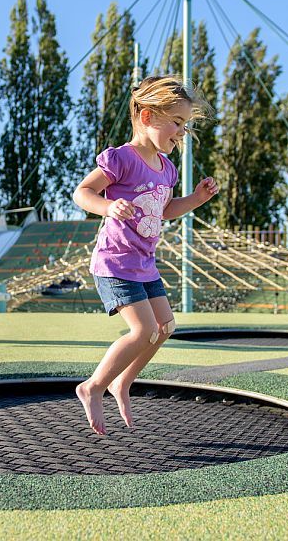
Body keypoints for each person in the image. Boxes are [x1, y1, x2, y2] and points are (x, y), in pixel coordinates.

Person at [72, 75, 219, 435]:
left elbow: (163, 210)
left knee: (165, 326)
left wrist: (196, 200)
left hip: (144, 265)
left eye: (185, 125)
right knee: (143, 329)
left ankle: (121, 382)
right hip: (115, 262)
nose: (182, 132)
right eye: (178, 122)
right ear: (149, 117)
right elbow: (82, 192)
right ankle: (91, 386)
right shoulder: (121, 158)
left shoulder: (167, 169)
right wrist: (107, 206)